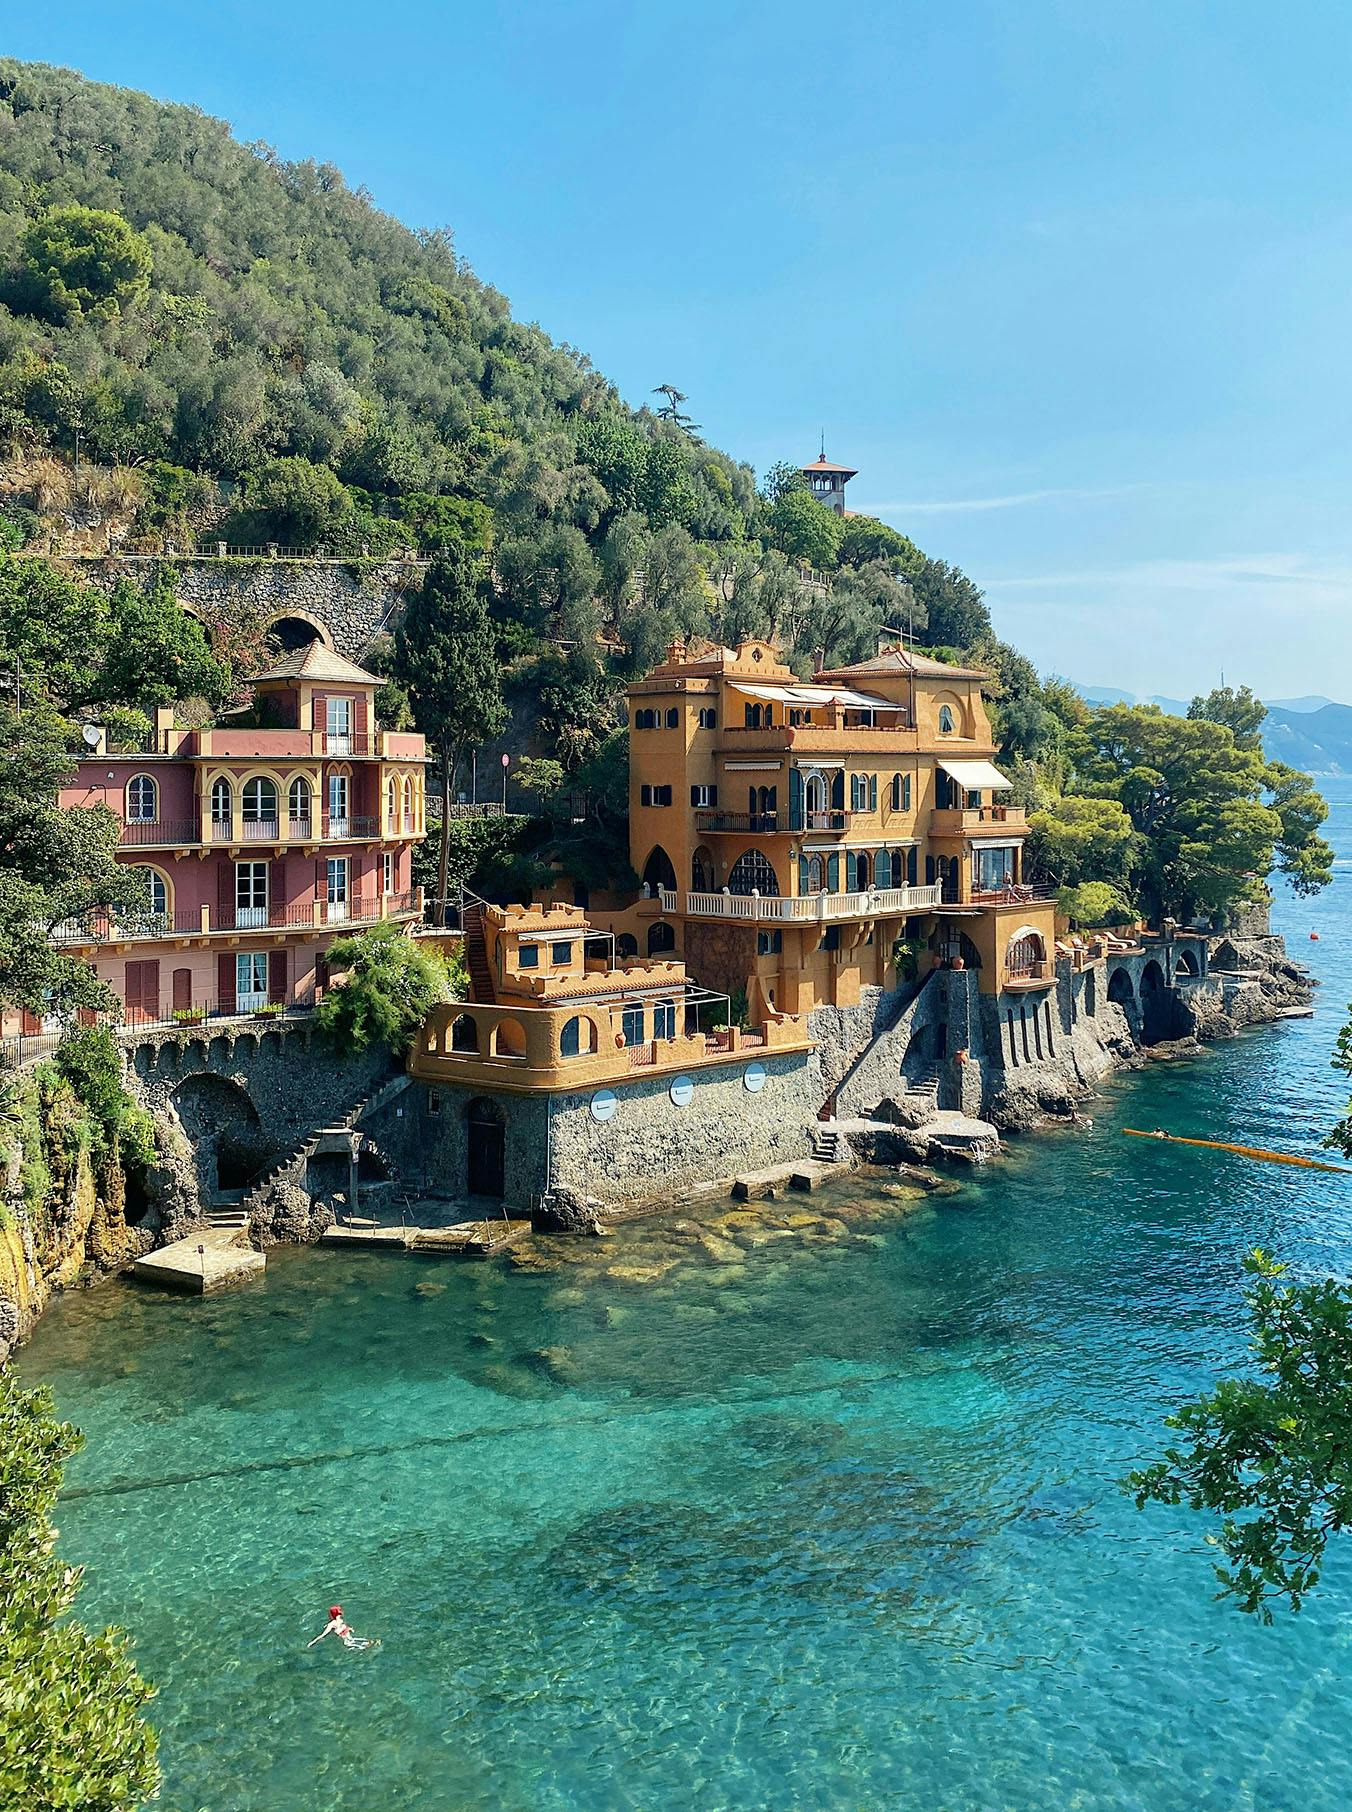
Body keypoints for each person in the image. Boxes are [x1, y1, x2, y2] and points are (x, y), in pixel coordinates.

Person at [308, 1605, 377, 1651]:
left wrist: (312, 1642)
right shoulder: (341, 1619)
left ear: (331, 1615)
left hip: (342, 1634)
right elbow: (343, 1624)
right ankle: (368, 1641)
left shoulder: (331, 1624)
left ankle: (364, 1647)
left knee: (348, 1644)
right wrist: (349, 1628)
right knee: (352, 1639)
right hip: (346, 1630)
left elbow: (323, 1635)